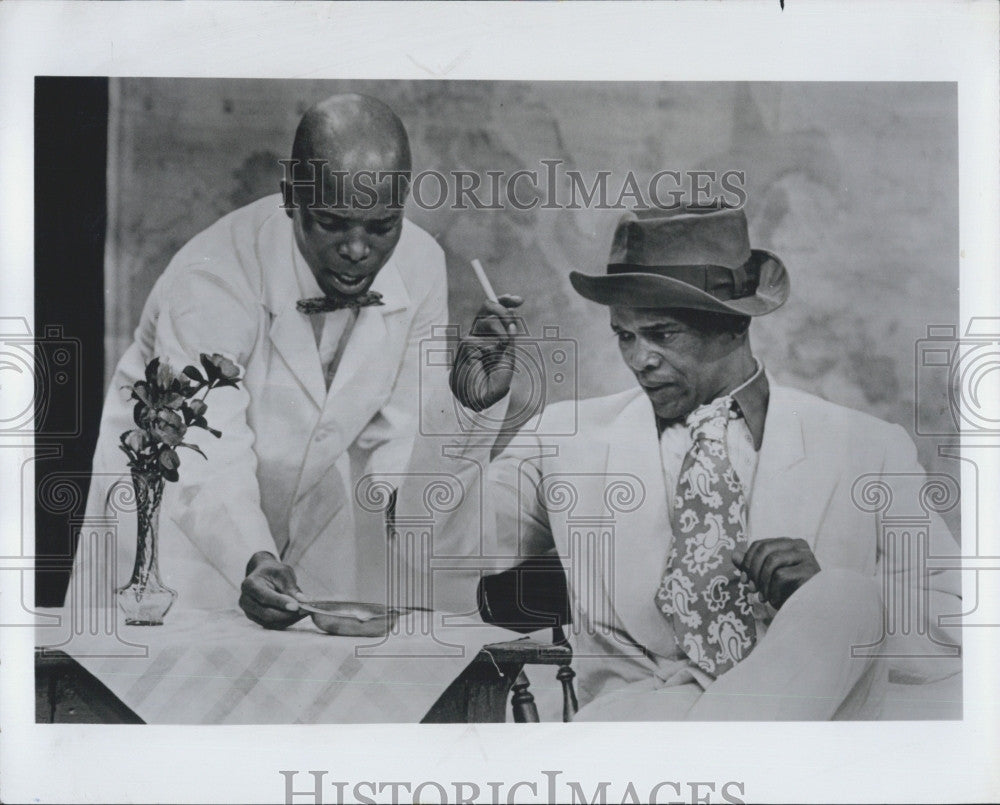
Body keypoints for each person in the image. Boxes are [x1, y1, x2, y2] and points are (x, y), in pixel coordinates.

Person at [404, 205, 962, 720]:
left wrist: (815, 600)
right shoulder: (566, 439)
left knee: (847, 597)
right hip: (635, 741)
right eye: (625, 336)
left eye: (662, 334)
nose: (639, 359)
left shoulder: (868, 450)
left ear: (736, 324)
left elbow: (959, 628)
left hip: (803, 744)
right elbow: (430, 541)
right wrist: (468, 407)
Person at [71, 93, 459, 626]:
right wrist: (253, 554)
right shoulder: (210, 274)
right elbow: (206, 445)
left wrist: (402, 512)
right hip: (175, 497)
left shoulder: (423, 264)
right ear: (290, 197)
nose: (357, 249)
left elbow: (403, 430)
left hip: (311, 501)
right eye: (331, 222)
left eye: (382, 225)